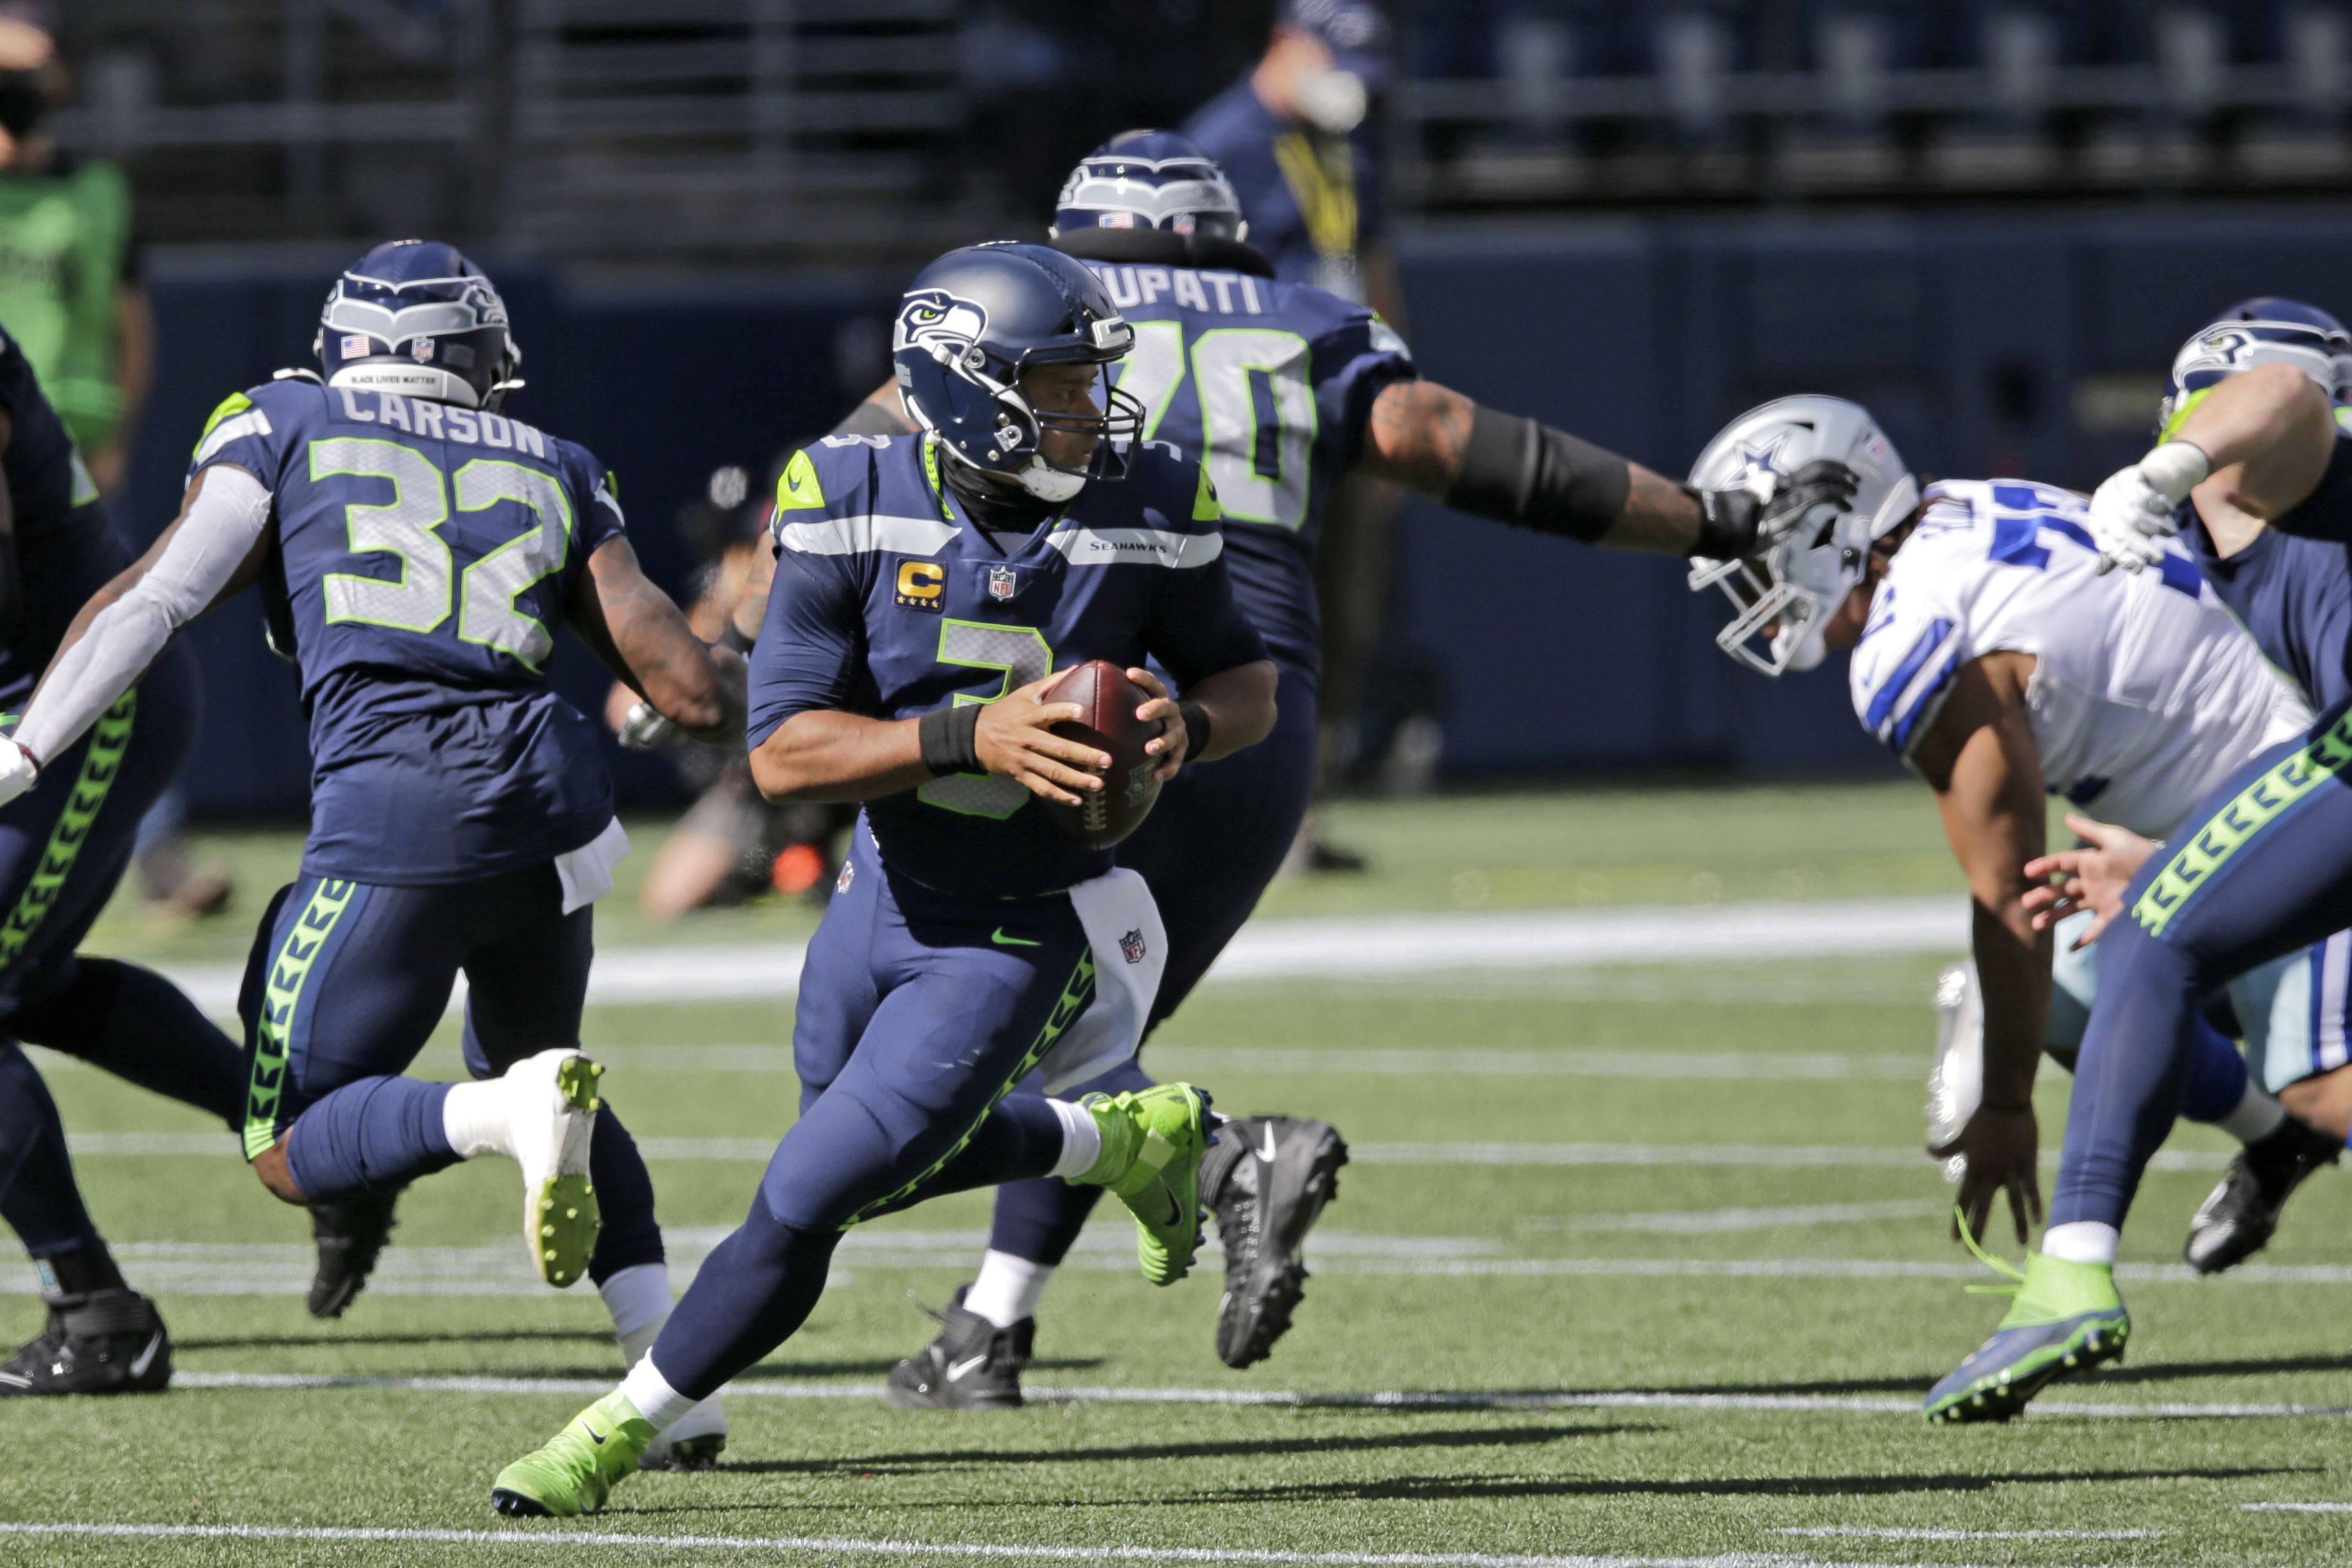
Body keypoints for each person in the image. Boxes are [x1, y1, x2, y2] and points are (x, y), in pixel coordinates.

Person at [842, 131, 1853, 1407]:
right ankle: (987, 1331)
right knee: (1087, 1042)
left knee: (916, 1048)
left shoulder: (1030, 314)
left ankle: (1223, 1159)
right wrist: (1708, 520)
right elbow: (1463, 448)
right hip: (1252, 721)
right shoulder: (1301, 320)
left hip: (1065, 713)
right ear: (1226, 242)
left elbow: (854, 476)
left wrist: (724, 631)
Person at [489, 241, 1285, 1516]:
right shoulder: (850, 489)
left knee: (806, 1195)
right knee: (855, 1149)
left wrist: (1190, 726)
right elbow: (786, 750)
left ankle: (613, 1435)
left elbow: (1250, 682)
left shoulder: (1146, 495)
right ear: (971, 392)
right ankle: (1130, 1140)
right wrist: (972, 732)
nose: (1092, 411)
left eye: (1089, 383)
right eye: (1061, 385)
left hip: (1017, 925)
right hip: (878, 890)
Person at [0, 241, 745, 1467]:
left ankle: (488, 1118)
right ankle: (677, 1386)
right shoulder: (556, 460)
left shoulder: (280, 421)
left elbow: (154, 598)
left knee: (294, 1144)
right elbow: (683, 687)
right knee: (548, 1060)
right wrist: (719, 678)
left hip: (398, 814)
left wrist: (24, 755)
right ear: (482, 361)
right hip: (556, 816)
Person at [1686, 392, 2347, 1290]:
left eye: (1758, 550)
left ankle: (2301, 1118)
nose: (1757, 588)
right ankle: (2280, 1144)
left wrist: (2005, 1108)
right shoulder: (1967, 506)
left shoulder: (1912, 632)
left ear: (1829, 521)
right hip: (2243, 782)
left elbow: (2008, 899)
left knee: (2324, 1082)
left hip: (2304, 801)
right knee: (2076, 994)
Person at [1926, 298, 2352, 1421]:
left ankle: (2067, 1277)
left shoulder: (2281, 460)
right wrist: (2179, 856)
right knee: (2160, 921)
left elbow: (2287, 398)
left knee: (2159, 939)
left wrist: (2173, 468)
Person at [0, 309, 280, 1394]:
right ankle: (310, 1132)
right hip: (46, 702)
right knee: (28, 986)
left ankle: (100, 1310)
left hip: (71, 704)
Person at [1187, 0, 1405, 872]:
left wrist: (1396, 399)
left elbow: (1372, 266)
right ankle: (1233, 818)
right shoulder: (1220, 146)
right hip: (1251, 428)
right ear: (1288, 44)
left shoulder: (1344, 140)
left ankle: (1299, 819)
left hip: (1340, 417)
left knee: (1342, 623)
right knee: (1254, 625)